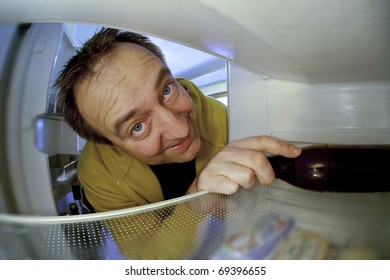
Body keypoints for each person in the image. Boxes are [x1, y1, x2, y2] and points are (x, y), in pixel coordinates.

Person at [56, 28, 301, 213]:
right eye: (138, 127)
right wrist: (196, 199)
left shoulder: (230, 121)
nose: (181, 129)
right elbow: (146, 255)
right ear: (111, 144)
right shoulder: (97, 172)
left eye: (166, 90)